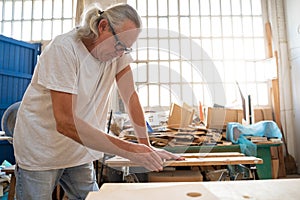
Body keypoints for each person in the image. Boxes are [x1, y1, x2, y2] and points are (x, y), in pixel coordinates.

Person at [13, 3, 181, 200]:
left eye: (126, 49)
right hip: (41, 149)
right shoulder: (64, 49)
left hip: (79, 149)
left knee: (94, 197)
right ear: (102, 27)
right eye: (119, 45)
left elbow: (131, 97)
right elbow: (66, 123)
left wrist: (145, 147)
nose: (121, 53)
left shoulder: (118, 54)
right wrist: (131, 150)